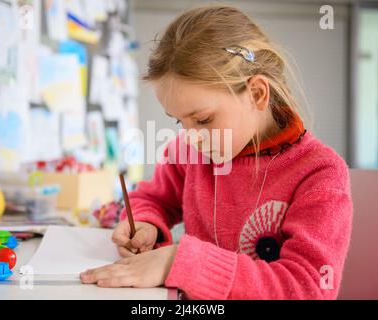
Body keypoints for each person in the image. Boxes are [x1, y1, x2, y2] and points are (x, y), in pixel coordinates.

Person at [80, 5, 353, 300]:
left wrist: (179, 262)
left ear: (258, 94)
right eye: (179, 121)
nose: (191, 138)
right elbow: (152, 198)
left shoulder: (319, 173)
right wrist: (146, 225)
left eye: (203, 120)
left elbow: (308, 288)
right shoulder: (190, 152)